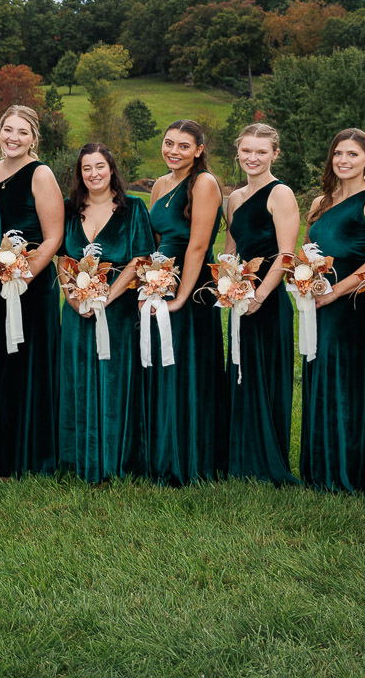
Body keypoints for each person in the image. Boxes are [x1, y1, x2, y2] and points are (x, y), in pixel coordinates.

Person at [300, 128, 365, 493]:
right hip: (317, 303)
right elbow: (310, 253)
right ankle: (319, 466)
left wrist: (335, 292)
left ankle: (348, 469)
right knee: (318, 374)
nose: (343, 160)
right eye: (338, 153)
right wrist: (307, 283)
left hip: (350, 306)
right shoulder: (321, 202)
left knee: (344, 382)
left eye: (353, 154)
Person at [134, 120, 226, 485]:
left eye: (183, 146)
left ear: (199, 150)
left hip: (190, 285)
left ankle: (187, 457)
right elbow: (157, 240)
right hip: (158, 281)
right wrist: (150, 284)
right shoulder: (159, 184)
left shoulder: (203, 183)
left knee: (184, 366)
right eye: (169, 143)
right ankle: (158, 452)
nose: (173, 151)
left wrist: (181, 297)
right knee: (157, 364)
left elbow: (199, 245)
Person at [56, 144, 151, 483]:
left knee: (113, 379)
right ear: (79, 174)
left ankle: (115, 457)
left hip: (117, 311)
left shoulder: (134, 209)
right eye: (86, 168)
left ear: (112, 169)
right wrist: (73, 298)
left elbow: (140, 258)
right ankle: (78, 456)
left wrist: (105, 297)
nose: (94, 174)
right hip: (77, 312)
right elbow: (62, 258)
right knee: (78, 378)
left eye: (100, 166)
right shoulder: (69, 210)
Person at [0, 105, 64, 477]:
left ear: (34, 138)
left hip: (31, 286)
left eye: (22, 132)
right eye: (7, 130)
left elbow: (53, 237)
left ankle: (32, 454)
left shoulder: (41, 173)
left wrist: (23, 276)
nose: (13, 138)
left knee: (27, 364)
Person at [221, 122, 299, 486]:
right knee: (240, 371)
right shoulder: (234, 198)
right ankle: (240, 456)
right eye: (247, 151)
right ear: (238, 152)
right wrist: (228, 285)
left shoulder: (280, 194)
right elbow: (230, 250)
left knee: (265, 375)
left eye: (261, 152)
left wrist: (260, 295)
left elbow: (286, 255)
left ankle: (266, 460)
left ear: (275, 154)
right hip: (240, 297)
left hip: (267, 299)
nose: (253, 158)